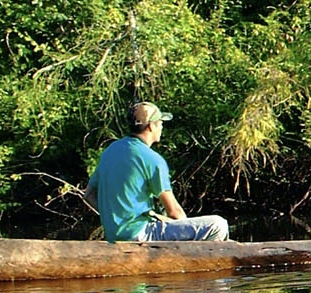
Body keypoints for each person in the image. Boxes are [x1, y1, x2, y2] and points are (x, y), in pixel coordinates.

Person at [84, 102, 230, 242]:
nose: (161, 127)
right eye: (160, 123)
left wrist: (113, 217)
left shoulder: (110, 151)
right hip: (140, 234)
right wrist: (187, 234)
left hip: (114, 236)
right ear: (150, 127)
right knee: (218, 225)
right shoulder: (152, 159)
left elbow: (89, 195)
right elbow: (174, 212)